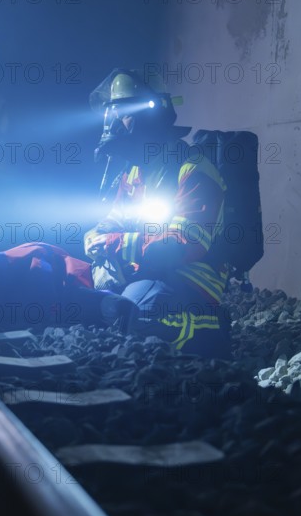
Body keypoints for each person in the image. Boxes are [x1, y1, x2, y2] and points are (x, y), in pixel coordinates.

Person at [84, 68, 231, 358]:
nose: (114, 124)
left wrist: (115, 243)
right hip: (144, 269)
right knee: (77, 293)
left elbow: (183, 243)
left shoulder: (193, 168)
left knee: (139, 314)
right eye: (112, 113)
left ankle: (211, 329)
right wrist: (95, 236)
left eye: (122, 113)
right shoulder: (135, 171)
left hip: (190, 275)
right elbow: (115, 219)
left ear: (149, 117)